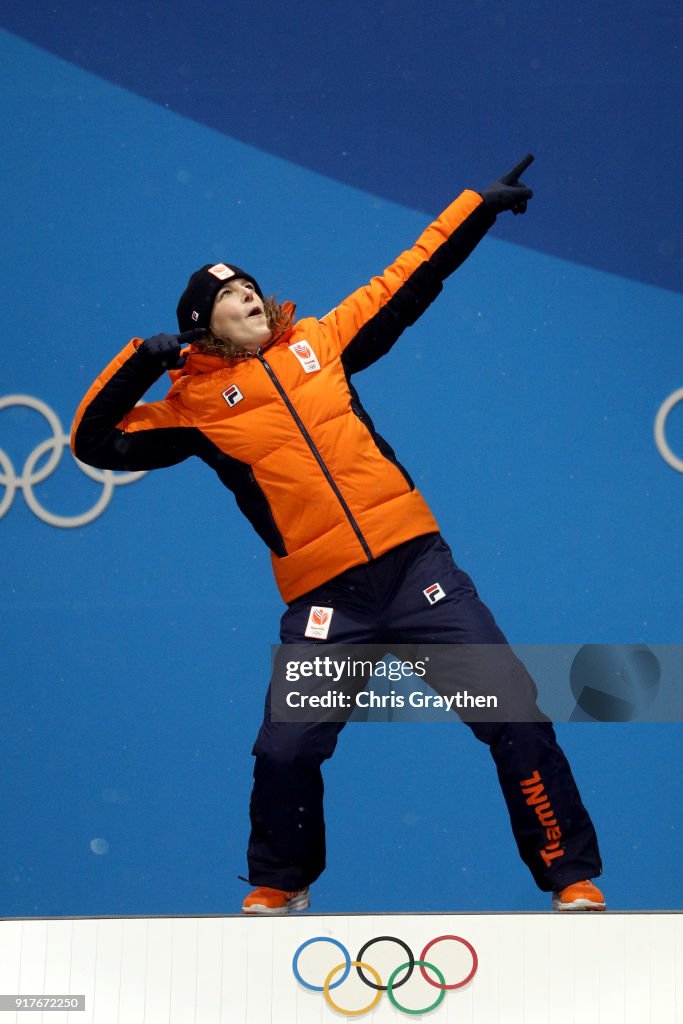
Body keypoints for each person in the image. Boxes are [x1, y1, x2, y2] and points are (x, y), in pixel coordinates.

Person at [71, 155, 605, 915]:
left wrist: (475, 209)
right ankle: (281, 885)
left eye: (249, 285)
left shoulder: (319, 345)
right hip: (329, 604)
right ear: (199, 326)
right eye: (227, 295)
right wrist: (136, 363)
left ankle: (569, 876)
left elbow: (404, 280)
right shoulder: (194, 410)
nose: (247, 295)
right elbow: (94, 442)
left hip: (419, 572)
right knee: (285, 748)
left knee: (515, 711)